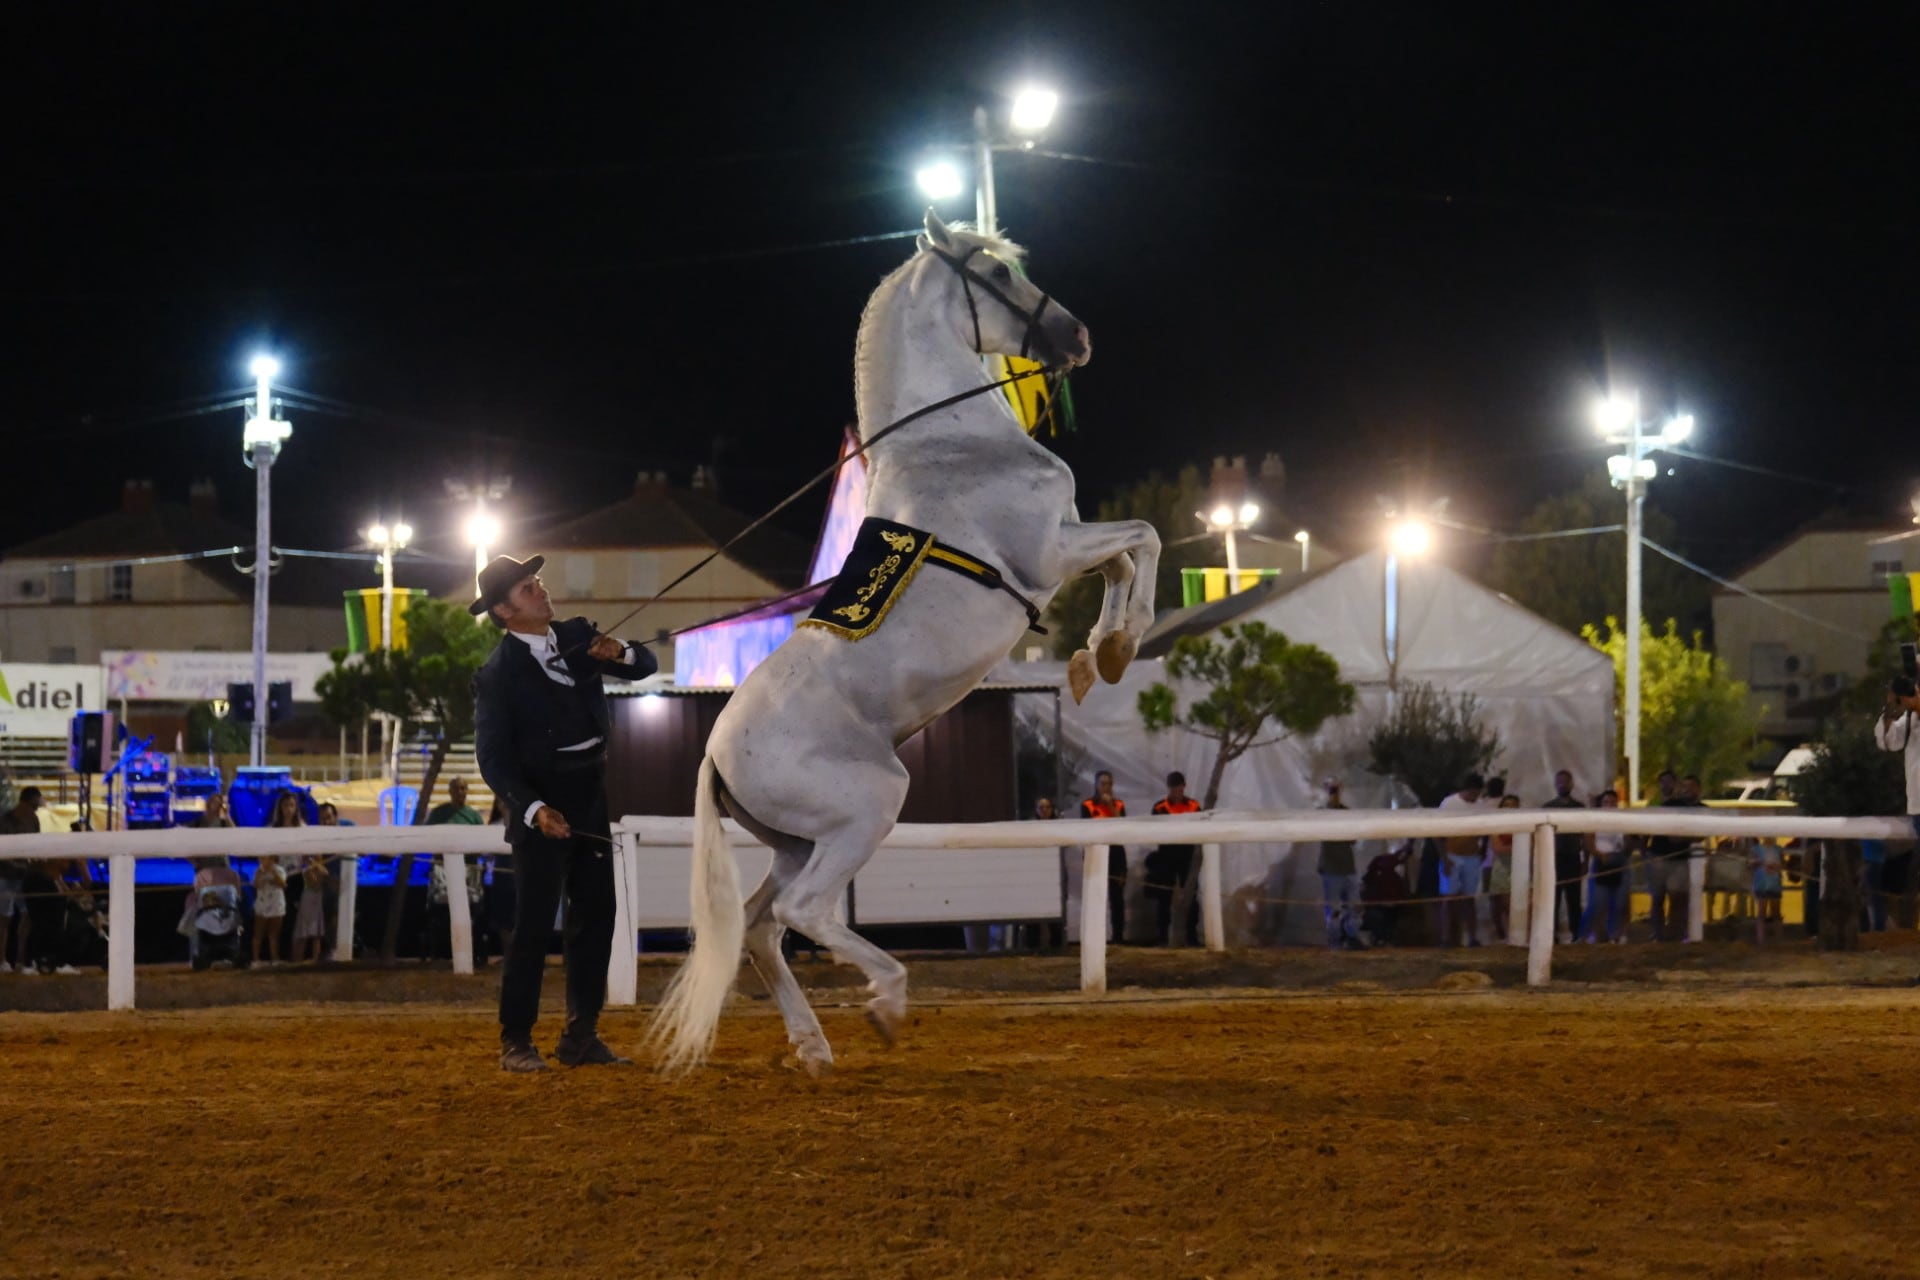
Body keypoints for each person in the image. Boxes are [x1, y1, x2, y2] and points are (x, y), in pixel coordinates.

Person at [472, 553, 655, 1072]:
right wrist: (531, 809)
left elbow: (645, 666)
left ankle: (581, 1036)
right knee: (532, 925)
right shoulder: (497, 676)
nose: (542, 590)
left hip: (591, 794)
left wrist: (618, 652)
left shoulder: (577, 633)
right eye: (528, 589)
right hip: (542, 807)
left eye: (538, 582)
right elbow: (493, 760)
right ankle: (516, 1040)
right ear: (505, 612)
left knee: (598, 914)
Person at [425, 777, 486, 963]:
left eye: (463, 788)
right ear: (450, 791)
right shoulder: (438, 814)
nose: (460, 792)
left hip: (469, 872)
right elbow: (430, 839)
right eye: (457, 789)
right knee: (439, 910)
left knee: (474, 909)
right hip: (443, 872)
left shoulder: (474, 816)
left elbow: (480, 844)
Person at [1144, 772, 1202, 947]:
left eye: (1179, 786)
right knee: (1164, 896)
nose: (1177, 790)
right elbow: (1155, 831)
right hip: (1167, 855)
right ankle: (1162, 937)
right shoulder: (1160, 807)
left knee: (1191, 896)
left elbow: (1200, 829)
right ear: (1169, 788)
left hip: (1187, 855)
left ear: (1184, 786)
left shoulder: (1193, 805)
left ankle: (1192, 937)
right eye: (1174, 787)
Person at [1641, 770, 1693, 942]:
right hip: (1658, 856)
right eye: (1663, 781)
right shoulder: (1654, 804)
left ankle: (1674, 933)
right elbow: (1645, 829)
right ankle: (1657, 933)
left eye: (1669, 781)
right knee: (1657, 898)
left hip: (1678, 857)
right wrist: (1644, 851)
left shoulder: (1683, 805)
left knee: (1676, 897)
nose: (1666, 785)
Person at [1079, 770, 1128, 945]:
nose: (1106, 787)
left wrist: (1112, 807)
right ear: (1096, 785)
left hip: (1116, 855)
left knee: (1117, 899)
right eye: (1102, 783)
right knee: (1096, 898)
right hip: (1096, 856)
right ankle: (1095, 937)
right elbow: (1086, 831)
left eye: (1109, 784)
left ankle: (1118, 937)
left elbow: (1123, 827)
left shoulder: (1119, 805)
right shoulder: (1087, 805)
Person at [1437, 773, 1486, 947]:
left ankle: (1472, 937)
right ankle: (1445, 938)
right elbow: (1439, 833)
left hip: (1472, 856)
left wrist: (1482, 853)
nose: (1475, 797)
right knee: (1448, 899)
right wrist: (1444, 858)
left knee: (1469, 898)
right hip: (1452, 855)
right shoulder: (1449, 804)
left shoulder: (1481, 806)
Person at [1541, 770, 1588, 944]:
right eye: (1559, 781)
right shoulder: (1547, 808)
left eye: (1565, 781)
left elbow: (1585, 836)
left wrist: (1586, 860)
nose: (1562, 785)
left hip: (1573, 857)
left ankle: (1577, 934)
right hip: (1553, 858)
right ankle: (1550, 935)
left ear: (1571, 783)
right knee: (1551, 899)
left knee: (1574, 899)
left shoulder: (1579, 807)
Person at [1315, 780, 1362, 949]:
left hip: (1347, 868)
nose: (1334, 792)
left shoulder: (1346, 812)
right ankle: (1335, 943)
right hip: (1332, 869)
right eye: (1331, 789)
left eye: (1336, 789)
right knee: (1333, 910)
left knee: (1353, 908)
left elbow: (1353, 838)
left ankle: (1352, 938)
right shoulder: (1322, 813)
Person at [0, 785, 42, 973]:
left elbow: (35, 847)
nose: (34, 811)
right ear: (23, 803)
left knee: (28, 917)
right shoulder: (5, 821)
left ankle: (20, 960)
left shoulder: (33, 820)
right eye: (33, 806)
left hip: (23, 877)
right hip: (5, 876)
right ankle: (2, 960)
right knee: (4, 919)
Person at [1582, 792, 1631, 943]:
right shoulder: (1595, 820)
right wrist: (1598, 854)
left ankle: (1616, 934)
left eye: (1612, 802)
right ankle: (1590, 935)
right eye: (1606, 802)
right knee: (1597, 902)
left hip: (1620, 860)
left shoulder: (1624, 820)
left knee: (1620, 901)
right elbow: (1588, 840)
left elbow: (1629, 839)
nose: (1609, 805)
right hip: (1600, 860)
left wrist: (1624, 852)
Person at [189, 857, 248, 970]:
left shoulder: (201, 875)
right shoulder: (232, 874)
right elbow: (238, 897)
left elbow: (198, 898)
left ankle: (203, 956)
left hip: (207, 919)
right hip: (229, 918)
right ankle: (235, 954)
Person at [482, 797, 515, 961]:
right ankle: (509, 955)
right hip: (500, 879)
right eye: (501, 802)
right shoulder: (493, 826)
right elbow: (486, 855)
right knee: (503, 922)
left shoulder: (523, 825)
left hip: (519, 879)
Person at [1486, 794, 1521, 943]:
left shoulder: (1522, 824)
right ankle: (1501, 934)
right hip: (1500, 866)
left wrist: (1516, 848)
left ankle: (1514, 935)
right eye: (1506, 805)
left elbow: (1530, 845)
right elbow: (1497, 848)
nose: (1509, 808)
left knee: (1513, 903)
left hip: (1519, 865)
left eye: (1513, 805)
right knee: (1498, 902)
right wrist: (1518, 847)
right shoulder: (1496, 824)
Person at [1749, 836, 1785, 944]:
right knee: (1762, 911)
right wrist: (1757, 863)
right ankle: (1761, 939)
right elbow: (1750, 865)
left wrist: (1776, 867)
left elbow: (1783, 864)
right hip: (1761, 883)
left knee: (1776, 912)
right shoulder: (1755, 849)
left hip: (1774, 883)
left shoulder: (1778, 849)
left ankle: (1778, 938)